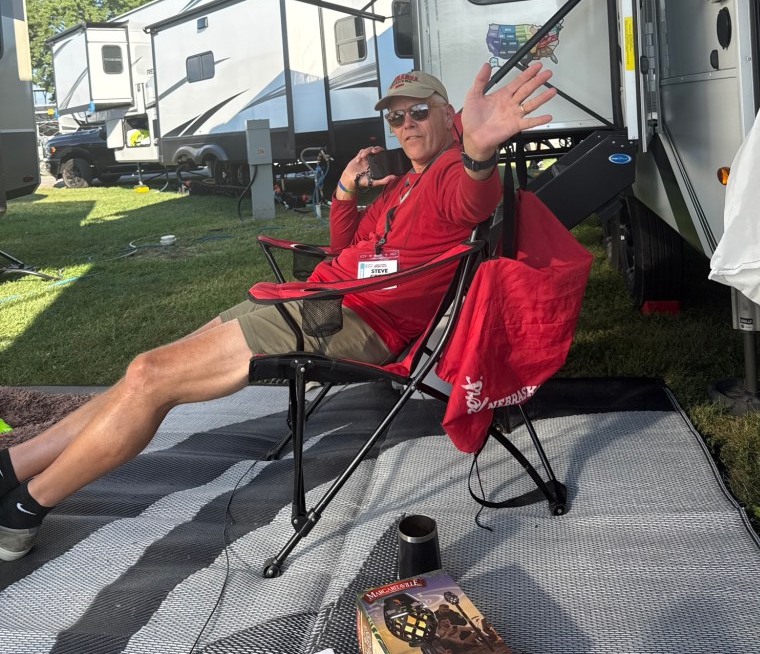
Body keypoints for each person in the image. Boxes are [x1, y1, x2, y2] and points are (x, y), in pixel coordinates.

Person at [0, 61, 554, 561]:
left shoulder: (451, 174)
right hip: (317, 301)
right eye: (395, 116)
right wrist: (344, 193)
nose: (405, 124)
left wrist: (481, 153)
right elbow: (348, 249)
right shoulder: (403, 183)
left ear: (449, 117)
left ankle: (24, 508)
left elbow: (472, 199)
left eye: (418, 112)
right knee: (148, 365)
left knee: (150, 375)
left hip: (356, 321)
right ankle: (15, 466)